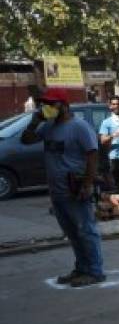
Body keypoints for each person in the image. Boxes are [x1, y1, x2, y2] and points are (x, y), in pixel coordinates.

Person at [20, 88, 105, 287]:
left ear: (64, 106)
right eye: (44, 104)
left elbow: (92, 155)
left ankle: (94, 271)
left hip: (74, 187)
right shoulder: (48, 127)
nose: (47, 108)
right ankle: (82, 268)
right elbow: (26, 140)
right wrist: (35, 121)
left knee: (86, 230)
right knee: (73, 233)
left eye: (51, 104)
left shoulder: (79, 127)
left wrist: (87, 184)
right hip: (57, 190)